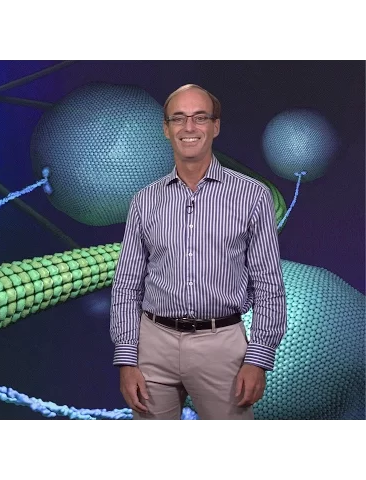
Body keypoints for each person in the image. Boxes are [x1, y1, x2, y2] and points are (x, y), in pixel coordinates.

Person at [109, 84, 287, 420]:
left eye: (200, 117)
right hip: (153, 346)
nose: (189, 127)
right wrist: (127, 358)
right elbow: (127, 285)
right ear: (166, 129)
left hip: (222, 346)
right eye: (178, 118)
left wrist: (258, 358)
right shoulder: (144, 201)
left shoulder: (252, 196)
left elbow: (268, 284)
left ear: (215, 126)